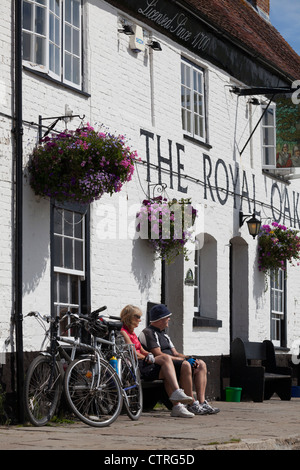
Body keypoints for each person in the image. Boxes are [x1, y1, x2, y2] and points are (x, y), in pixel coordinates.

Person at [139, 304, 220, 415]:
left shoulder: (164, 335)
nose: (169, 319)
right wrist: (182, 360)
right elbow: (158, 354)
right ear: (160, 319)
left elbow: (175, 352)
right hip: (159, 366)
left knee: (200, 364)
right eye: (167, 317)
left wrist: (188, 357)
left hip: (174, 362)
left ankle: (202, 402)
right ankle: (192, 404)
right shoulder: (148, 332)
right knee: (186, 365)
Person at [120, 304, 195, 418]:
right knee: (165, 358)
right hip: (138, 365)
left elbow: (141, 349)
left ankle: (177, 407)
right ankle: (176, 393)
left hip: (144, 361)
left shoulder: (133, 332)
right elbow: (132, 352)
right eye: (138, 317)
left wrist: (148, 354)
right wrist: (145, 357)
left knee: (167, 369)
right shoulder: (123, 332)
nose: (140, 320)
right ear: (129, 317)